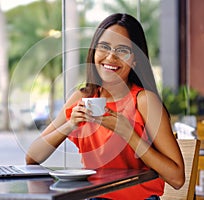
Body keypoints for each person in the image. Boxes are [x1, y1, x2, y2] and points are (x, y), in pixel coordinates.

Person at [26, 13, 185, 200]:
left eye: (122, 50)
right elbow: (32, 157)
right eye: (104, 47)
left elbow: (177, 179)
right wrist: (70, 125)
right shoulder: (82, 98)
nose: (111, 57)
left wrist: (129, 134)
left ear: (135, 59)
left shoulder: (144, 101)